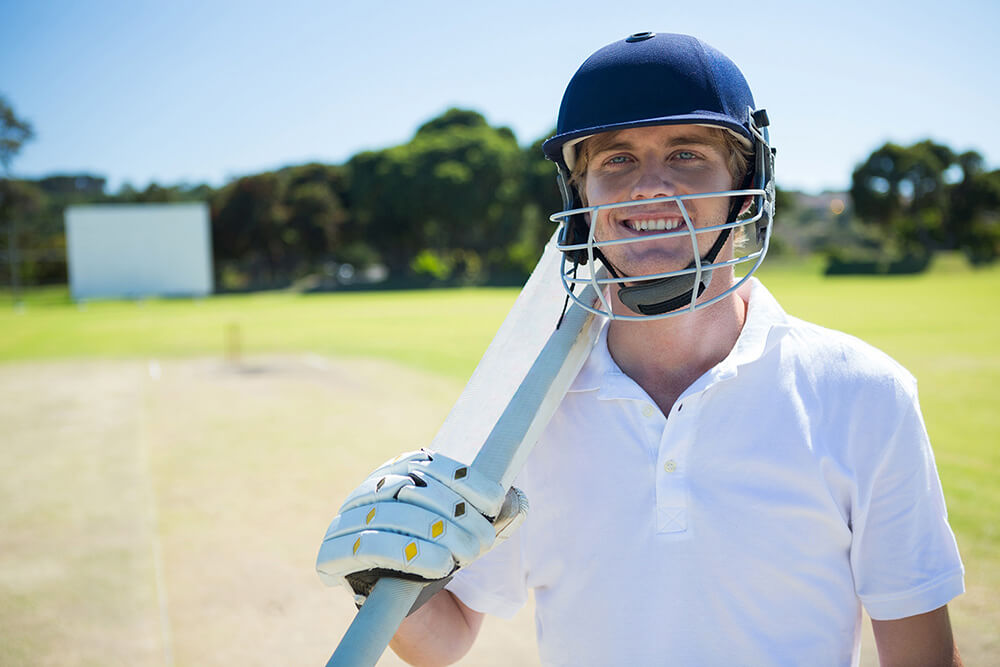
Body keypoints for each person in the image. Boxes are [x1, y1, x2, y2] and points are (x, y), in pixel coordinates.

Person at [317, 32, 965, 666]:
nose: (648, 185)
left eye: (686, 153)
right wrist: (380, 567)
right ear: (581, 197)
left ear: (745, 187)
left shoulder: (863, 394)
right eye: (616, 159)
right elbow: (447, 640)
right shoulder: (524, 411)